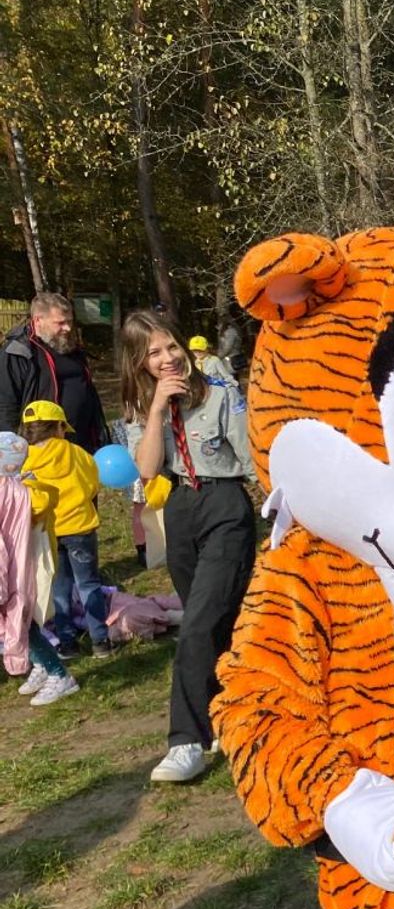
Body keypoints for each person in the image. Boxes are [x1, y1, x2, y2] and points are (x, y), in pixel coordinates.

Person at [121, 310, 257, 784]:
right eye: (154, 353)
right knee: (216, 623)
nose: (168, 359)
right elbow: (146, 469)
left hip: (224, 506)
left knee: (197, 624)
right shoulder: (141, 406)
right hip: (179, 508)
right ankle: (226, 715)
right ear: (139, 362)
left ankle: (186, 740)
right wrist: (158, 410)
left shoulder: (219, 393)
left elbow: (250, 457)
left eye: (172, 347)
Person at [20, 400, 110, 659]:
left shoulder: (25, 458)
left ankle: (67, 643)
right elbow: (92, 483)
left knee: (59, 588)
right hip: (80, 527)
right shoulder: (76, 452)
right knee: (89, 584)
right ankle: (101, 641)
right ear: (59, 426)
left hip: (48, 531)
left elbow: (27, 495)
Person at [0, 432, 78, 706]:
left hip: (16, 572)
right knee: (19, 623)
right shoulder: (23, 489)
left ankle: (59, 674)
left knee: (22, 625)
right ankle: (43, 665)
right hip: (18, 569)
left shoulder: (13, 494)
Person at [2, 293, 107, 450]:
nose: (68, 328)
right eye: (60, 323)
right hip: (41, 448)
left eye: (70, 321)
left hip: (83, 444)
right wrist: (13, 450)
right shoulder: (19, 353)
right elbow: (5, 406)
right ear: (38, 320)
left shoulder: (72, 348)